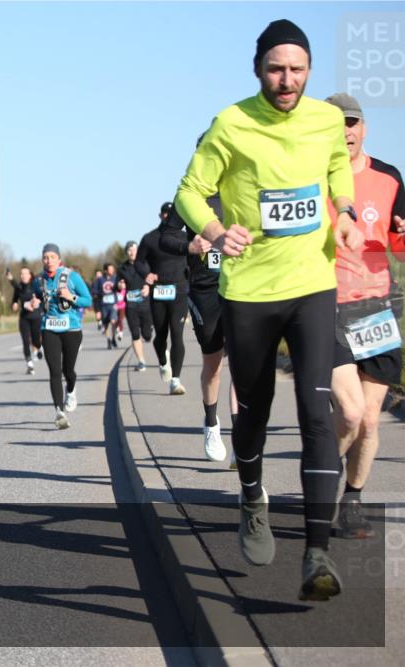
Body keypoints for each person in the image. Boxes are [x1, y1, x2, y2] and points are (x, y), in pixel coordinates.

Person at [174, 19, 364, 601]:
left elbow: (335, 164)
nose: (287, 80)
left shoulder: (327, 120)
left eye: (298, 69)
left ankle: (316, 553)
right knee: (253, 411)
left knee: (315, 411)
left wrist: (347, 210)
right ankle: (251, 496)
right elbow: (187, 188)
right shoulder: (231, 124)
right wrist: (212, 228)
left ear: (310, 70)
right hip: (249, 291)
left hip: (311, 283)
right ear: (258, 69)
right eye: (277, 69)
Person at [324, 92, 405, 540]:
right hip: (327, 305)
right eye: (336, 124)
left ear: (364, 127)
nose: (346, 132)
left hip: (377, 307)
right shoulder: (314, 179)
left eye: (351, 123)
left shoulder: (390, 178)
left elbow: (399, 245)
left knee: (371, 419)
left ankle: (351, 499)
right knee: (351, 414)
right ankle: (322, 472)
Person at [159, 184, 237, 462]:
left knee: (242, 364)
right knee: (213, 364)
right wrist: (189, 246)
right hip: (206, 288)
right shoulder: (189, 197)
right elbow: (166, 238)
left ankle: (242, 436)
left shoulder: (241, 184)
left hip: (242, 284)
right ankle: (212, 423)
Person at [33, 243, 93, 429]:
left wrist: (70, 296)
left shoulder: (71, 277)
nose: (49, 260)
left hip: (72, 330)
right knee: (54, 371)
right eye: (45, 257)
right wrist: (33, 302)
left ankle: (72, 390)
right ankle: (59, 411)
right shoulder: (39, 281)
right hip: (49, 328)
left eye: (52, 257)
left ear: (59, 259)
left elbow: (88, 300)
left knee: (69, 371)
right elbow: (37, 297)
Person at [138, 202, 189, 395]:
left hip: (180, 292)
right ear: (160, 216)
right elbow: (140, 261)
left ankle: (175, 380)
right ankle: (162, 360)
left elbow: (194, 260)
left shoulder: (185, 238)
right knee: (161, 335)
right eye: (165, 214)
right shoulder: (151, 239)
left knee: (177, 333)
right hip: (159, 293)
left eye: (172, 214)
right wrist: (146, 274)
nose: (168, 217)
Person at [119, 240, 154, 371]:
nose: (132, 252)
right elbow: (117, 284)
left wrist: (148, 287)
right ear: (126, 252)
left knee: (147, 336)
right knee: (135, 333)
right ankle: (141, 361)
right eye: (129, 250)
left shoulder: (146, 264)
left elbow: (155, 279)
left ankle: (149, 330)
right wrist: (119, 286)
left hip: (145, 305)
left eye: (134, 249)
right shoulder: (122, 268)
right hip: (131, 306)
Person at [7, 266, 44, 374]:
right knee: (25, 341)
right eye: (21, 274)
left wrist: (37, 302)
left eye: (25, 273)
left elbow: (42, 299)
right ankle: (29, 364)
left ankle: (38, 347)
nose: (23, 275)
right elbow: (14, 300)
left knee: (36, 340)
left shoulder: (36, 286)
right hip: (24, 318)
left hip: (36, 317)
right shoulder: (18, 288)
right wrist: (14, 305)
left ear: (30, 275)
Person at [97, 263, 119, 349]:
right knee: (106, 324)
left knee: (113, 321)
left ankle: (113, 337)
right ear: (105, 270)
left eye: (112, 269)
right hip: (104, 305)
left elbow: (119, 288)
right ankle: (109, 339)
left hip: (113, 304)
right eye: (110, 269)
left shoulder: (115, 278)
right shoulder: (100, 280)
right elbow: (96, 292)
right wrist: (97, 309)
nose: (112, 270)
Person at [114, 278, 127, 343]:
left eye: (123, 282)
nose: (121, 284)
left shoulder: (125, 290)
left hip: (122, 307)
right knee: (115, 321)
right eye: (120, 282)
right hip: (115, 307)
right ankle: (118, 329)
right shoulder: (114, 291)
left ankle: (120, 333)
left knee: (120, 319)